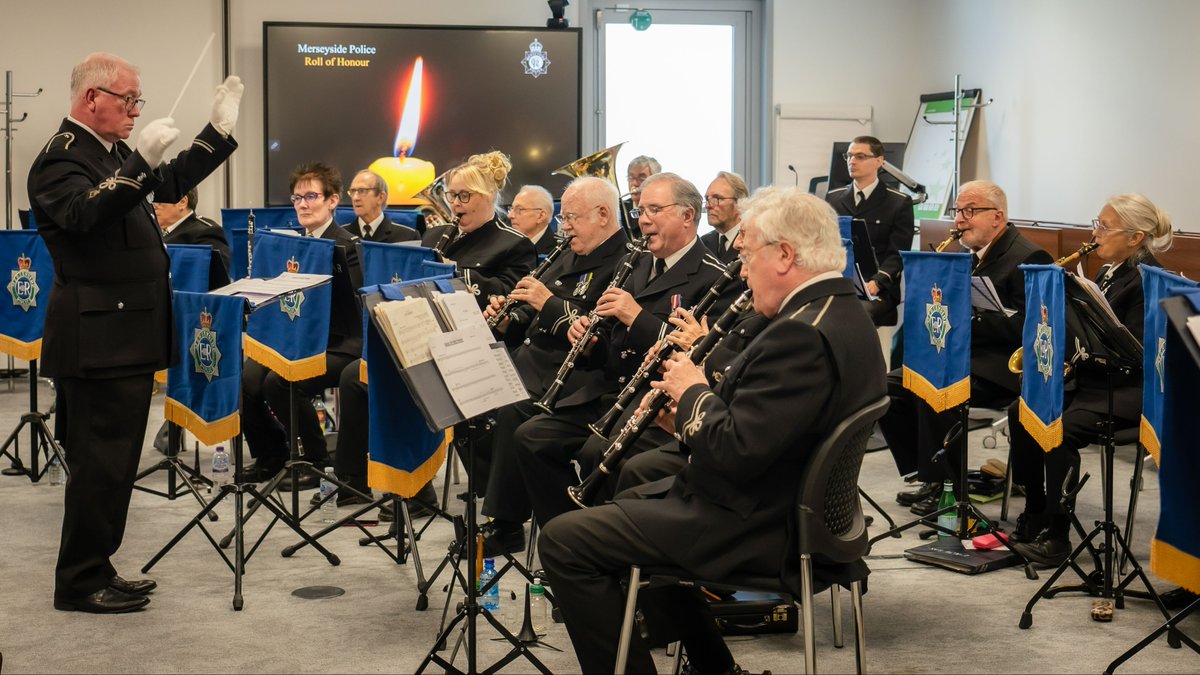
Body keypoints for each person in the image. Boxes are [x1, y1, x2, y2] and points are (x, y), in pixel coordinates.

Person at [539, 186, 887, 673]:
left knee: (563, 540)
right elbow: (770, 421)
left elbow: (735, 449)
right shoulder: (840, 311)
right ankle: (714, 665)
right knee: (638, 481)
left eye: (747, 256)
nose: (742, 271)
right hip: (790, 501)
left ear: (784, 255)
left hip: (761, 523)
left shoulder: (799, 335)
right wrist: (683, 414)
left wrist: (691, 393)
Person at [29, 52, 240, 614]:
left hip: (124, 333)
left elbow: (165, 181)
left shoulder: (109, 153)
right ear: (91, 97)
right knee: (99, 466)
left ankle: (97, 566)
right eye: (127, 100)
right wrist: (137, 162)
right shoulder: (60, 159)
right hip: (97, 339)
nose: (135, 110)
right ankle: (77, 582)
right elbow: (83, 215)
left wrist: (215, 134)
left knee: (115, 464)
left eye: (137, 101)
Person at [511, 172, 738, 531]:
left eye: (654, 209)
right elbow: (609, 336)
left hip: (656, 402)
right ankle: (565, 533)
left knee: (596, 454)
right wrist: (588, 336)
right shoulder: (636, 262)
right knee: (531, 436)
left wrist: (636, 317)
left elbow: (697, 354)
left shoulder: (714, 276)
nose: (643, 219)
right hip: (608, 390)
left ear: (687, 216)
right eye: (639, 210)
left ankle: (597, 543)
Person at [1010, 194, 1172, 564]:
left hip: (1129, 391)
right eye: (1095, 223)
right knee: (1022, 413)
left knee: (1061, 432)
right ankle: (1035, 512)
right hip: (1097, 380)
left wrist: (1085, 359)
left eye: (1104, 226)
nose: (1094, 233)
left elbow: (1135, 354)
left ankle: (1057, 535)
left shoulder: (1149, 279)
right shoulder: (1106, 272)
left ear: (1135, 238)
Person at [476, 176, 630, 555]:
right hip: (532, 361)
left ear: (603, 215)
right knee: (469, 405)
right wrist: (508, 318)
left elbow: (595, 329)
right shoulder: (569, 251)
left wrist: (548, 303)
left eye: (572, 218)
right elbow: (530, 310)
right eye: (564, 218)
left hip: (575, 376)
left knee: (513, 414)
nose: (565, 227)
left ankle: (519, 524)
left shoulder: (625, 260)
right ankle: (505, 510)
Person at [879, 180, 1053, 514]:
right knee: (888, 388)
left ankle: (948, 489)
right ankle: (926, 472)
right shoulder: (966, 254)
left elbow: (1029, 328)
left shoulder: (1029, 256)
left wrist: (967, 318)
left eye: (970, 211)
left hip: (1000, 364)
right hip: (964, 356)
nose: (959, 219)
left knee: (938, 387)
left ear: (997, 217)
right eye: (958, 211)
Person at [240, 162, 364, 490]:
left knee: (280, 383)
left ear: (333, 201)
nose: (303, 205)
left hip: (339, 342)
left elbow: (353, 306)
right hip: (294, 338)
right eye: (297, 198)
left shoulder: (348, 245)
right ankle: (272, 456)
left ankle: (314, 460)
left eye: (311, 196)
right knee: (246, 381)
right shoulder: (291, 247)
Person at [420, 151, 537, 309]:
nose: (455, 203)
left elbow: (512, 298)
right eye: (452, 195)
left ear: (489, 195)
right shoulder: (433, 235)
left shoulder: (516, 244)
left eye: (464, 195)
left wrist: (450, 271)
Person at [824, 135, 915, 326]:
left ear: (879, 161)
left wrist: (876, 282)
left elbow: (897, 255)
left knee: (854, 316)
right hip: (838, 283)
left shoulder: (898, 202)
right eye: (849, 156)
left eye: (860, 156)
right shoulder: (833, 199)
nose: (852, 161)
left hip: (877, 287)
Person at [154, 187, 232, 274]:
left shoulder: (206, 231)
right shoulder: (156, 231)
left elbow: (218, 277)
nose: (154, 207)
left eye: (159, 202)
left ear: (182, 202)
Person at [342, 169, 418, 243]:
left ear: (381, 197)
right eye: (352, 191)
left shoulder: (408, 237)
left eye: (362, 191)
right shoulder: (341, 235)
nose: (355, 198)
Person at [699, 170, 748, 264]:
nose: (707, 206)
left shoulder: (753, 241)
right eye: (707, 199)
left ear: (739, 203)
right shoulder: (703, 243)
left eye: (717, 198)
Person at [507, 184, 558, 256]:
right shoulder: (506, 244)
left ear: (541, 216)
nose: (510, 216)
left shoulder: (557, 253)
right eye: (511, 209)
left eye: (519, 209)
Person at [621, 155, 661, 234]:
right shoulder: (619, 209)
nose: (634, 183)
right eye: (631, 178)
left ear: (655, 180)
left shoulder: (662, 208)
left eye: (641, 179)